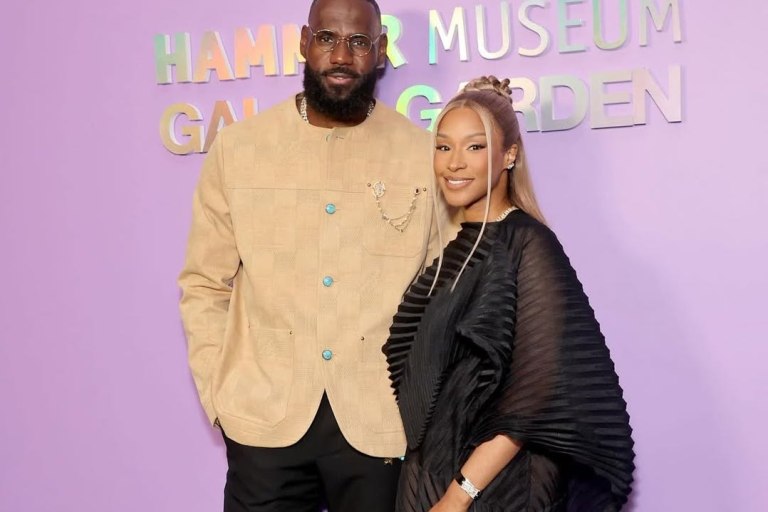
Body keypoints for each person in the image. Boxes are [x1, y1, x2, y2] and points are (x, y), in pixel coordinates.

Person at [178, 0, 439, 510]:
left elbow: (442, 288)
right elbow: (204, 283)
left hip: (380, 422)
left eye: (359, 42)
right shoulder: (240, 148)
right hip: (264, 419)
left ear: (380, 52)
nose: (341, 55)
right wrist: (221, 396)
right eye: (327, 38)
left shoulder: (421, 153)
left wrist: (422, 403)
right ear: (303, 42)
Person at [383, 76, 635, 511]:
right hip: (437, 472)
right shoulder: (457, 247)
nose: (454, 163)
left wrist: (460, 494)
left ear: (509, 155)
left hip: (496, 488)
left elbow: (534, 396)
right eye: (443, 147)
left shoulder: (528, 244)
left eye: (475, 147)